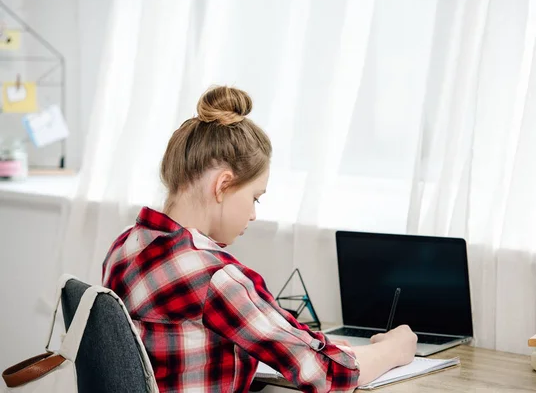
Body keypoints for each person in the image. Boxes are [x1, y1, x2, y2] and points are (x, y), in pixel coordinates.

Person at [102, 86, 417, 392]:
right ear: (223, 185)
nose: (253, 214)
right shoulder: (214, 277)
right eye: (255, 197)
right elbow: (330, 375)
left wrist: (315, 344)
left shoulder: (125, 248)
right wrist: (393, 350)